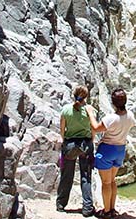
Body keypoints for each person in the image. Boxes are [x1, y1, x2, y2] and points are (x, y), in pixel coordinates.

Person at [85, 89, 135, 219]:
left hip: (107, 149)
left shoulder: (111, 118)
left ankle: (106, 212)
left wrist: (90, 113)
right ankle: (112, 209)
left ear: (113, 103)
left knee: (106, 183)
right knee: (112, 181)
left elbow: (96, 128)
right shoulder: (130, 116)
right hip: (120, 150)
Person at [56, 85, 95, 217]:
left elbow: (62, 129)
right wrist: (92, 141)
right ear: (86, 97)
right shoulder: (89, 110)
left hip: (69, 144)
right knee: (86, 176)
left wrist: (64, 140)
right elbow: (93, 128)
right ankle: (87, 208)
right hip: (85, 144)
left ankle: (61, 204)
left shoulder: (66, 109)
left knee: (67, 175)